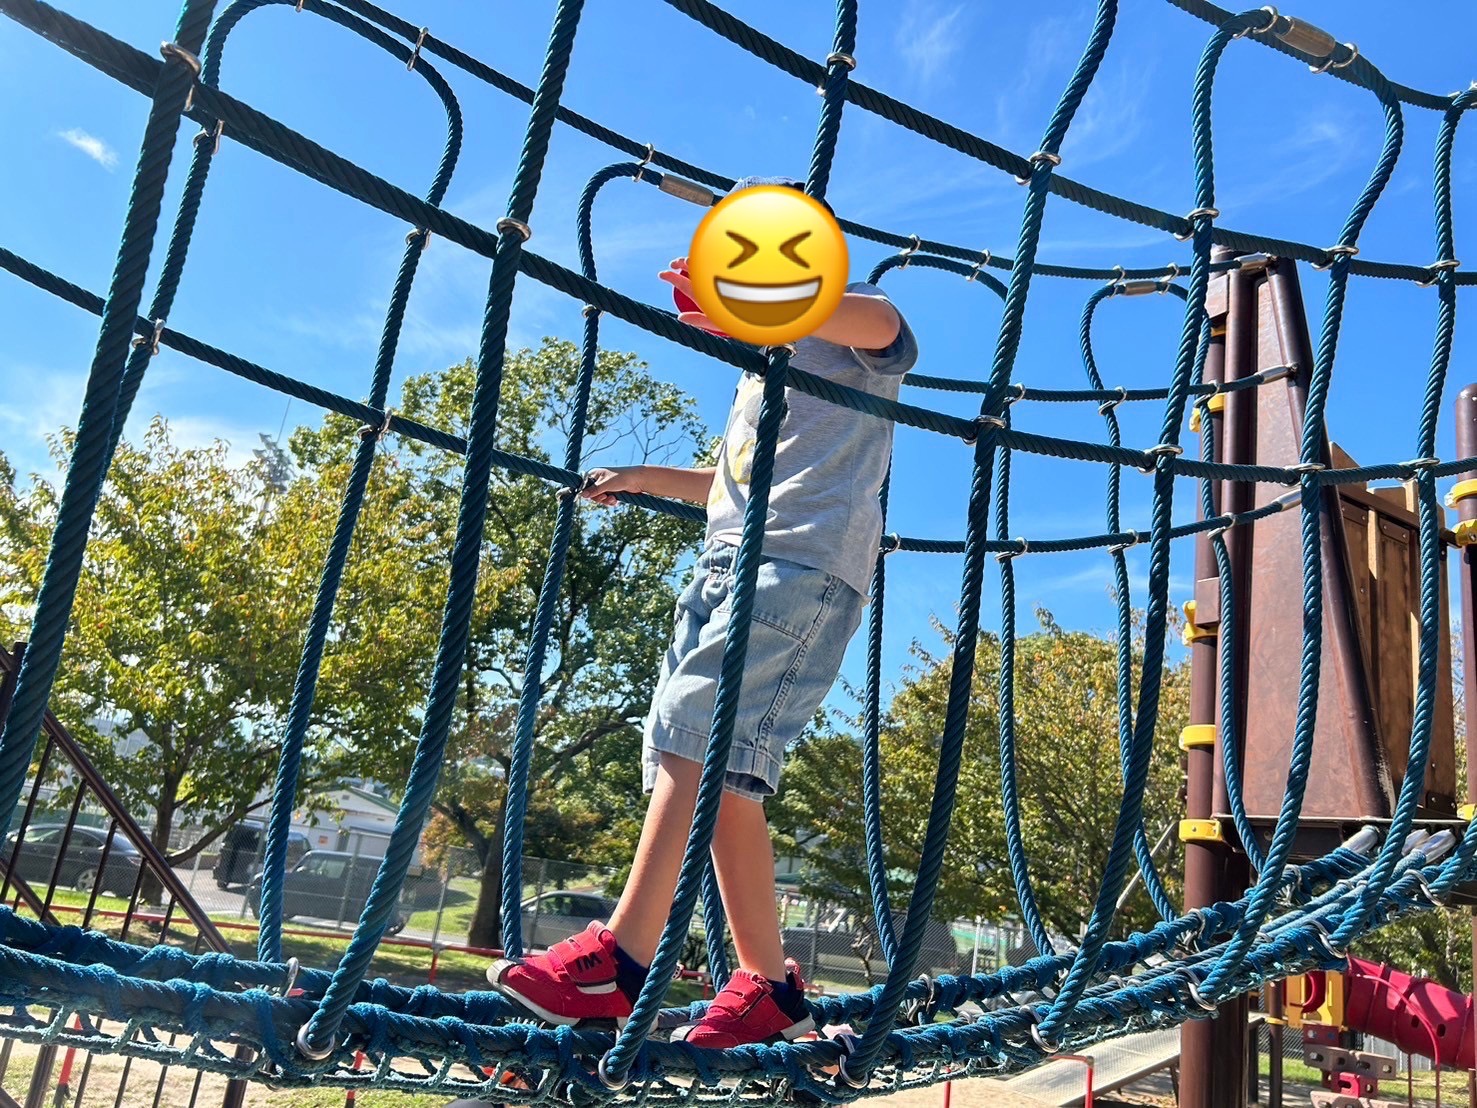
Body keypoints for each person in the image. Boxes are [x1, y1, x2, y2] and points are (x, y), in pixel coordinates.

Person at [489, 177, 918, 1049]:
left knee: (698, 732)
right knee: (705, 769)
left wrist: (751, 295)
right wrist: (639, 478)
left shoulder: (855, 320)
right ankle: (767, 988)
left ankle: (622, 957)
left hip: (797, 562)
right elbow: (726, 484)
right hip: (728, 562)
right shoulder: (763, 375)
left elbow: (883, 328)